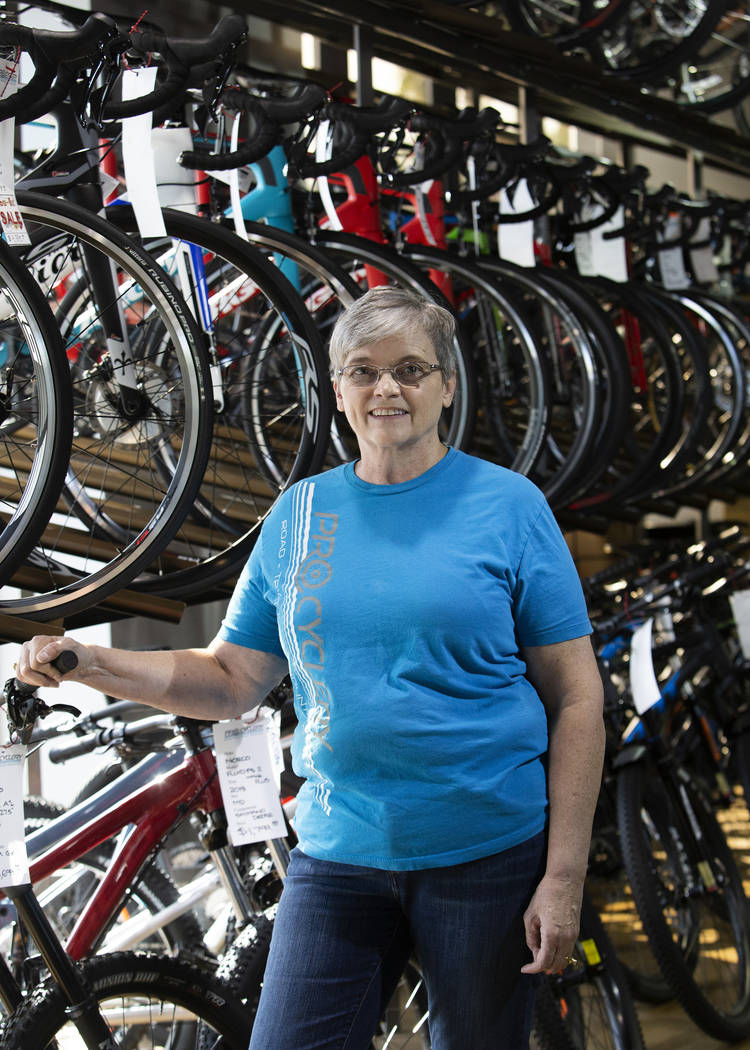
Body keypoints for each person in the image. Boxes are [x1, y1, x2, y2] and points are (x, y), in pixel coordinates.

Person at [18, 285, 605, 1050]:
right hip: (340, 849)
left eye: (411, 370)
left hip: (486, 851)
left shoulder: (509, 506)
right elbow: (230, 678)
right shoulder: (299, 514)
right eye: (363, 371)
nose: (386, 388)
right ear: (337, 389)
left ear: (446, 385)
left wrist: (563, 876)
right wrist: (95, 662)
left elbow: (577, 697)